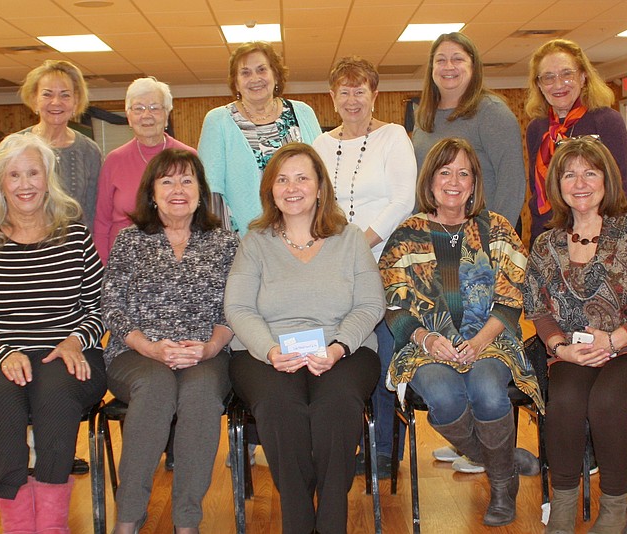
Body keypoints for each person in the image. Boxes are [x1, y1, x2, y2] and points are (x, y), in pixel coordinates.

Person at [0, 132, 106, 534]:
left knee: (55, 395)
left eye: (33, 172)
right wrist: (1, 352)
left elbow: (102, 308)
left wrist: (76, 340)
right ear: (0, 183)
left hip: (61, 351)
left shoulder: (75, 236)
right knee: (2, 398)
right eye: (14, 175)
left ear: (48, 177)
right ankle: (17, 523)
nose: (25, 184)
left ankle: (51, 524)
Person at [378, 137, 543, 527]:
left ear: (474, 182)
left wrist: (479, 341)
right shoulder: (406, 235)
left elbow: (511, 297)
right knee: (444, 396)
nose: (454, 180)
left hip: (491, 340)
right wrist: (429, 339)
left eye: (464, 173)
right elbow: (394, 308)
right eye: (445, 171)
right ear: (430, 180)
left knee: (487, 391)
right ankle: (501, 460)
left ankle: (502, 487)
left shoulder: (497, 228)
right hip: (424, 345)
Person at [225, 143, 385, 534]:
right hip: (266, 353)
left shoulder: (349, 239)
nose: (291, 187)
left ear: (319, 188)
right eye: (282, 179)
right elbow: (239, 309)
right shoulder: (255, 242)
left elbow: (370, 305)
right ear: (270, 189)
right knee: (281, 410)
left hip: (344, 350)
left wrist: (337, 347)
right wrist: (270, 350)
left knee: (336, 409)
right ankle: (297, 521)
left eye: (302, 178)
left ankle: (331, 521)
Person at [523, 136, 627, 534]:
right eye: (569, 174)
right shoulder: (546, 243)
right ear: (556, 185)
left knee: (606, 399)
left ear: (606, 179)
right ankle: (562, 505)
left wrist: (615, 340)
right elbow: (538, 310)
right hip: (575, 350)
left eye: (590, 173)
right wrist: (559, 347)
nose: (580, 183)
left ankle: (614, 508)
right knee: (566, 398)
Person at [102, 149, 237, 534]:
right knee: (157, 386)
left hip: (207, 354)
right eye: (167, 181)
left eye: (187, 180)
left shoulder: (225, 243)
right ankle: (128, 517)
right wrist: (149, 347)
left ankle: (187, 521)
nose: (178, 189)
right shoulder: (130, 241)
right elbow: (111, 306)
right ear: (151, 193)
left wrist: (210, 347)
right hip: (136, 354)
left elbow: (236, 308)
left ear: (201, 191)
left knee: (200, 396)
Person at [313, 56, 416, 478]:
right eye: (344, 92)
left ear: (374, 95)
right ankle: (351, 444)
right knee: (348, 356)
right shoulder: (321, 146)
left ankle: (385, 451)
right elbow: (320, 204)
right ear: (332, 98)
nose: (352, 100)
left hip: (388, 265)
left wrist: (360, 243)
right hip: (338, 269)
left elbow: (402, 201)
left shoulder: (393, 137)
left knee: (386, 360)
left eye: (360, 91)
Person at [198, 41, 322, 236]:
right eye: (245, 73)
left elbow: (322, 176)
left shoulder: (303, 112)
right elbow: (211, 193)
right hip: (246, 240)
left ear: (275, 75)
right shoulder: (218, 120)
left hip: (306, 234)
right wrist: (227, 245)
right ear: (236, 82)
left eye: (262, 70)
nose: (255, 78)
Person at [526, 38, 627, 247]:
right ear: (539, 84)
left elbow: (623, 186)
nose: (558, 84)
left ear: (584, 76)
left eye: (567, 74)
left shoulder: (607, 120)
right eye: (548, 77)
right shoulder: (536, 129)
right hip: (547, 233)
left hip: (598, 236)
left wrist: (599, 235)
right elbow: (536, 189)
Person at [411, 32, 525, 228]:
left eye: (457, 59)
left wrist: (496, 235)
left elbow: (512, 181)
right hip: (436, 233)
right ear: (431, 68)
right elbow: (420, 182)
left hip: (483, 233)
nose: (448, 66)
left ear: (473, 66)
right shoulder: (424, 118)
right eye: (440, 60)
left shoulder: (491, 112)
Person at [94, 76, 197, 263]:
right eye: (138, 108)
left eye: (155, 108)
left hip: (176, 260)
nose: (146, 115)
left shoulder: (188, 157)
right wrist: (105, 267)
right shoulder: (114, 160)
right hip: (124, 262)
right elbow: (102, 222)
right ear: (129, 116)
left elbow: (200, 214)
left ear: (167, 114)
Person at [19, 59, 102, 228]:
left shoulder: (89, 151)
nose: (56, 102)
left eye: (65, 95)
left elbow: (93, 212)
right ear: (34, 99)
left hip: (75, 250)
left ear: (75, 102)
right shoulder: (14, 148)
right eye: (47, 94)